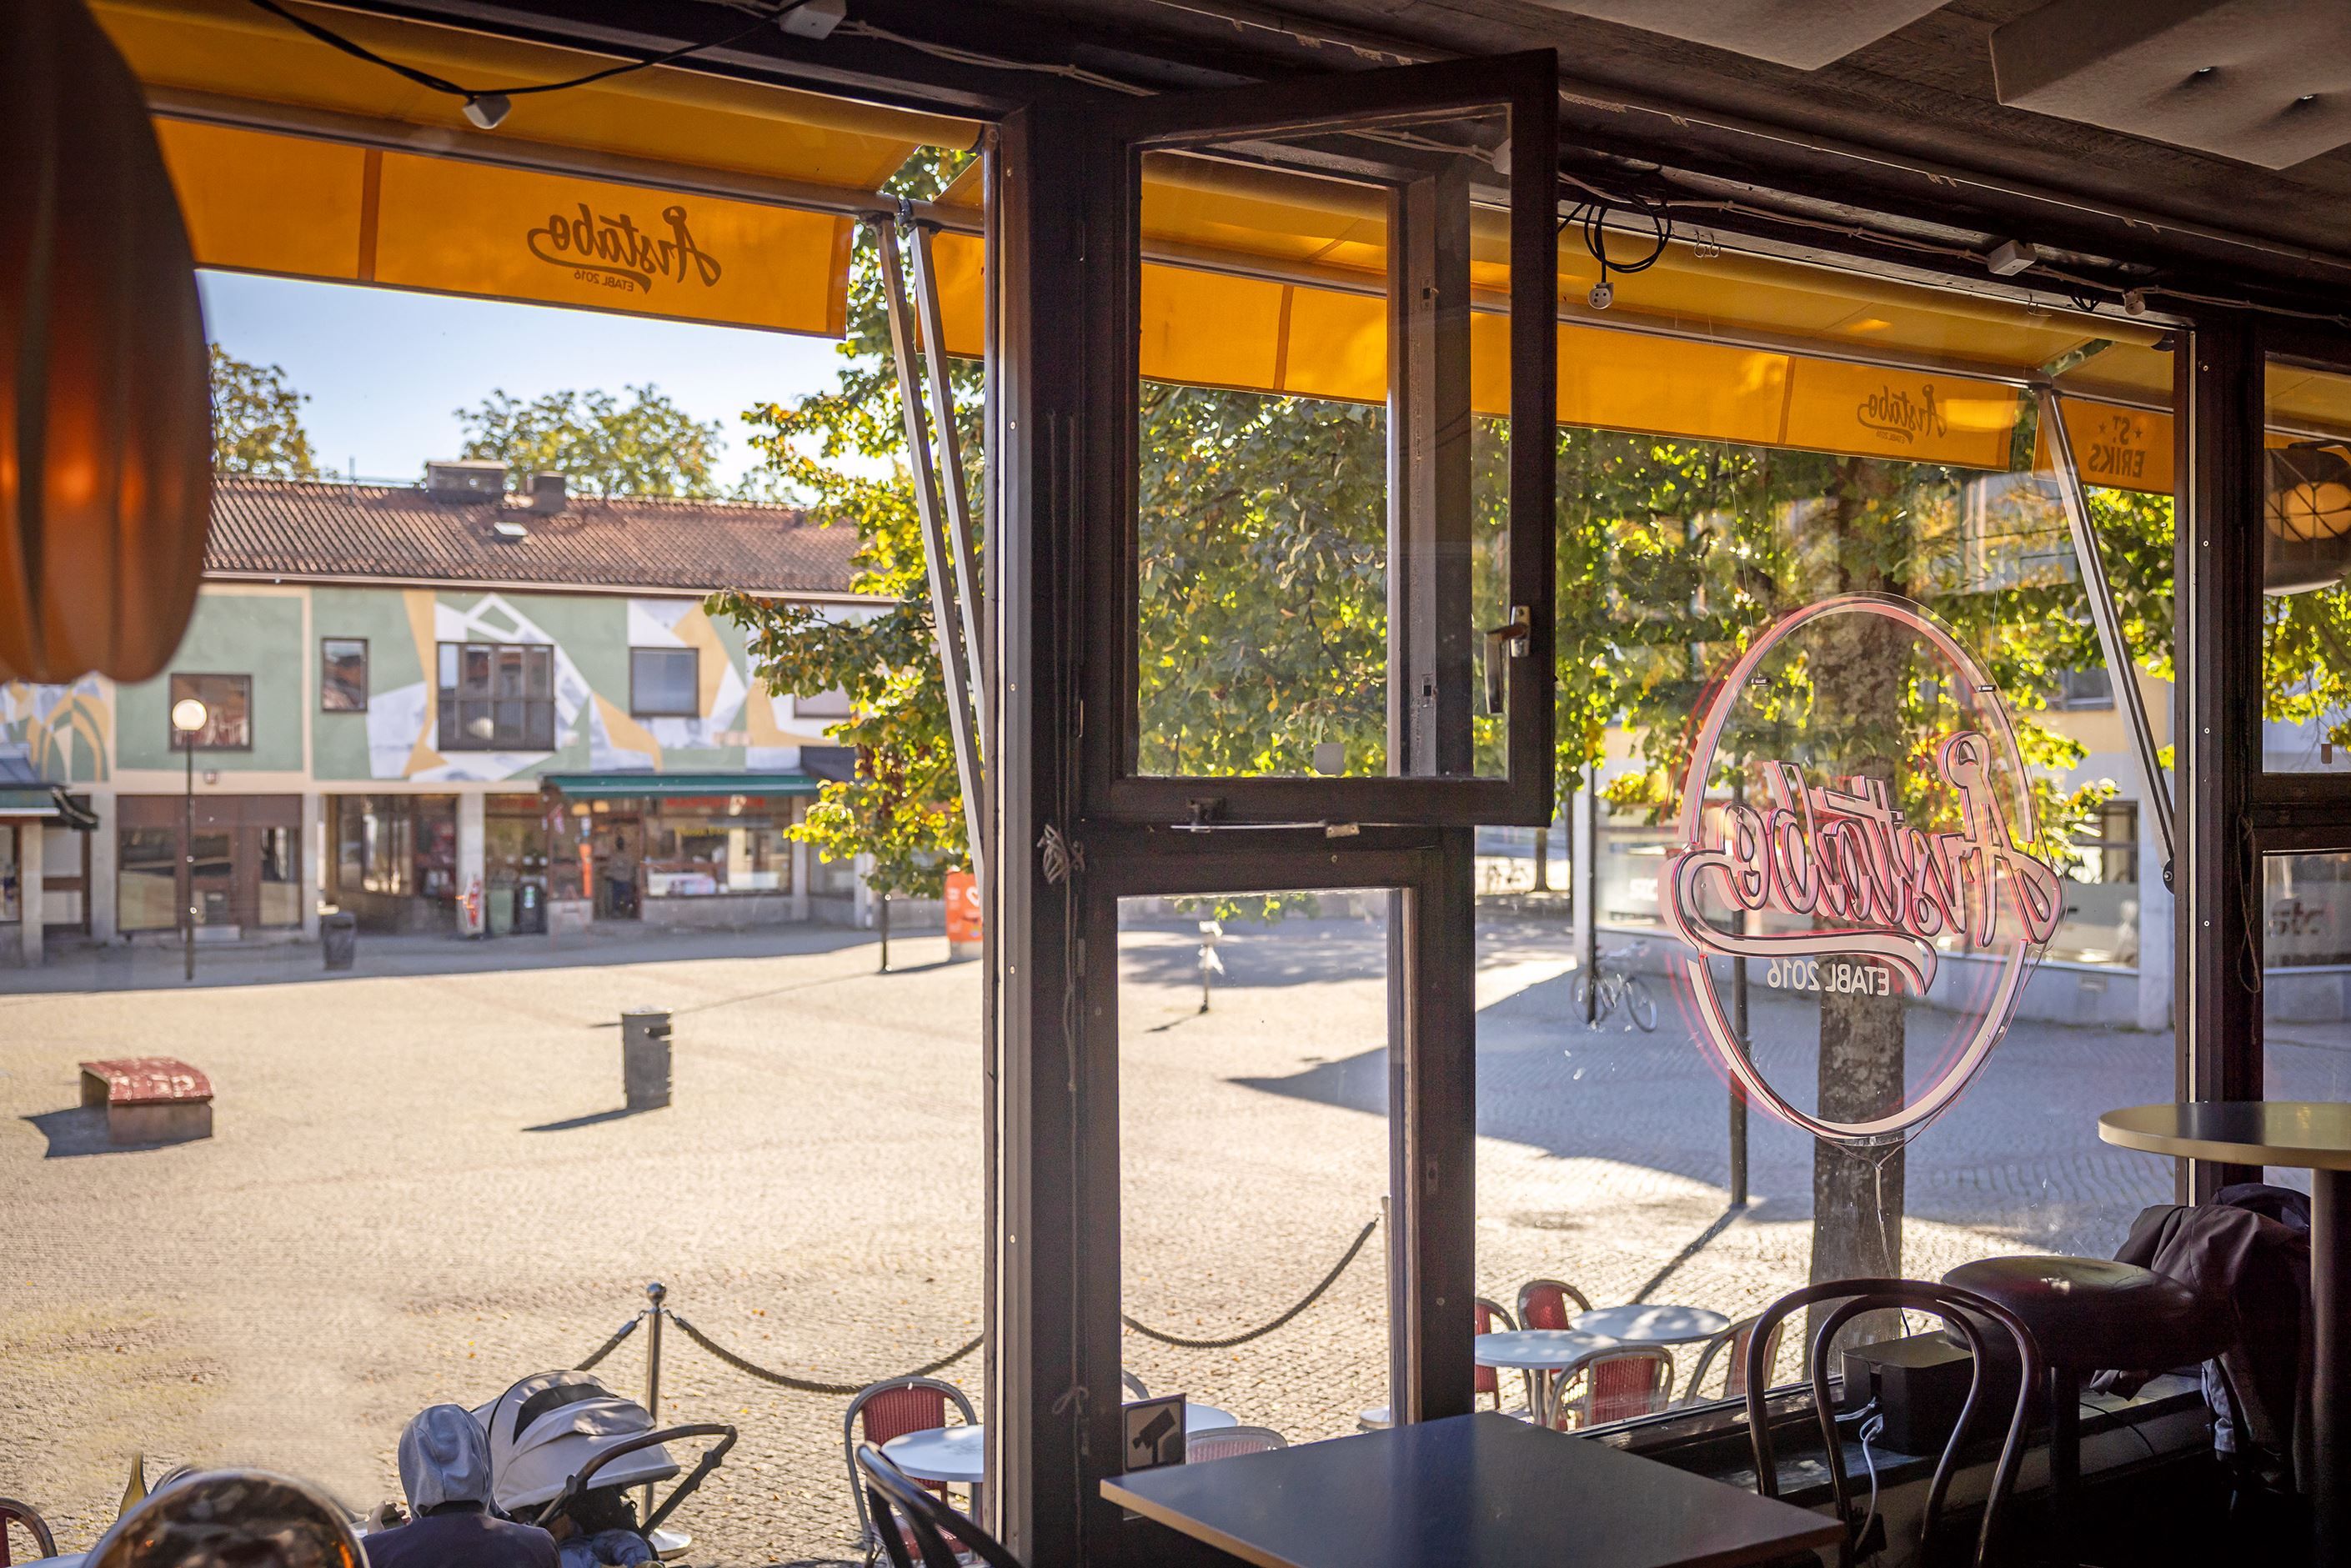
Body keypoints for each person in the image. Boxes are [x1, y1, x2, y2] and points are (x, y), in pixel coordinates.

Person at [363, 1405, 559, 1568]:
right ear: (483, 1459)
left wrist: (375, 1545)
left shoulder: (376, 1553)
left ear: (412, 1466)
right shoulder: (538, 1545)